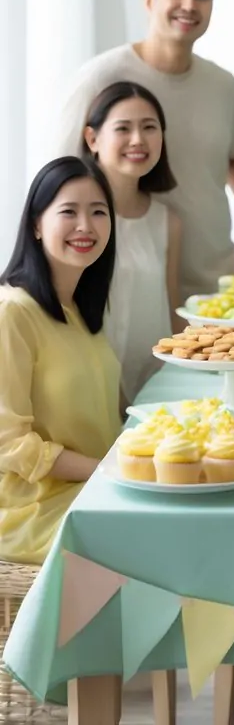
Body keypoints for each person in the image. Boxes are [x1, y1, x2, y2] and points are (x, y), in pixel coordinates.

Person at [54, 0, 234, 297]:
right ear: (150, 0)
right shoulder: (100, 77)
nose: (189, 5)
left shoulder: (223, 86)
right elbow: (59, 180)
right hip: (129, 283)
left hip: (215, 279)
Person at [0, 157, 121, 564]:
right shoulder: (12, 312)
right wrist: (108, 470)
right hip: (32, 509)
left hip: (95, 490)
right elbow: (7, 444)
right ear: (36, 224)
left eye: (98, 212)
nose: (85, 226)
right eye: (68, 211)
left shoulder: (83, 312)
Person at [83, 82, 181, 402]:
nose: (138, 140)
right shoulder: (73, 219)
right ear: (93, 139)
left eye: (149, 127)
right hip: (88, 390)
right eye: (123, 128)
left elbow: (171, 310)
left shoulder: (168, 221)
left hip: (153, 390)